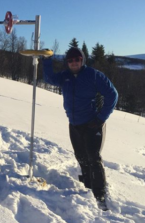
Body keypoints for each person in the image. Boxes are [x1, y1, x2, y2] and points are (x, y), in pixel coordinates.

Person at [42, 47, 118, 209]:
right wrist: (47, 60)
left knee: (93, 158)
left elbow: (112, 95)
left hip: (92, 124)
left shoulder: (93, 75)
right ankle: (88, 186)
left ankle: (100, 195)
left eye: (77, 59)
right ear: (67, 63)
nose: (74, 63)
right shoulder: (65, 77)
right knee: (81, 156)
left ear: (82, 60)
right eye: (70, 60)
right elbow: (48, 78)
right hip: (74, 124)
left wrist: (100, 118)